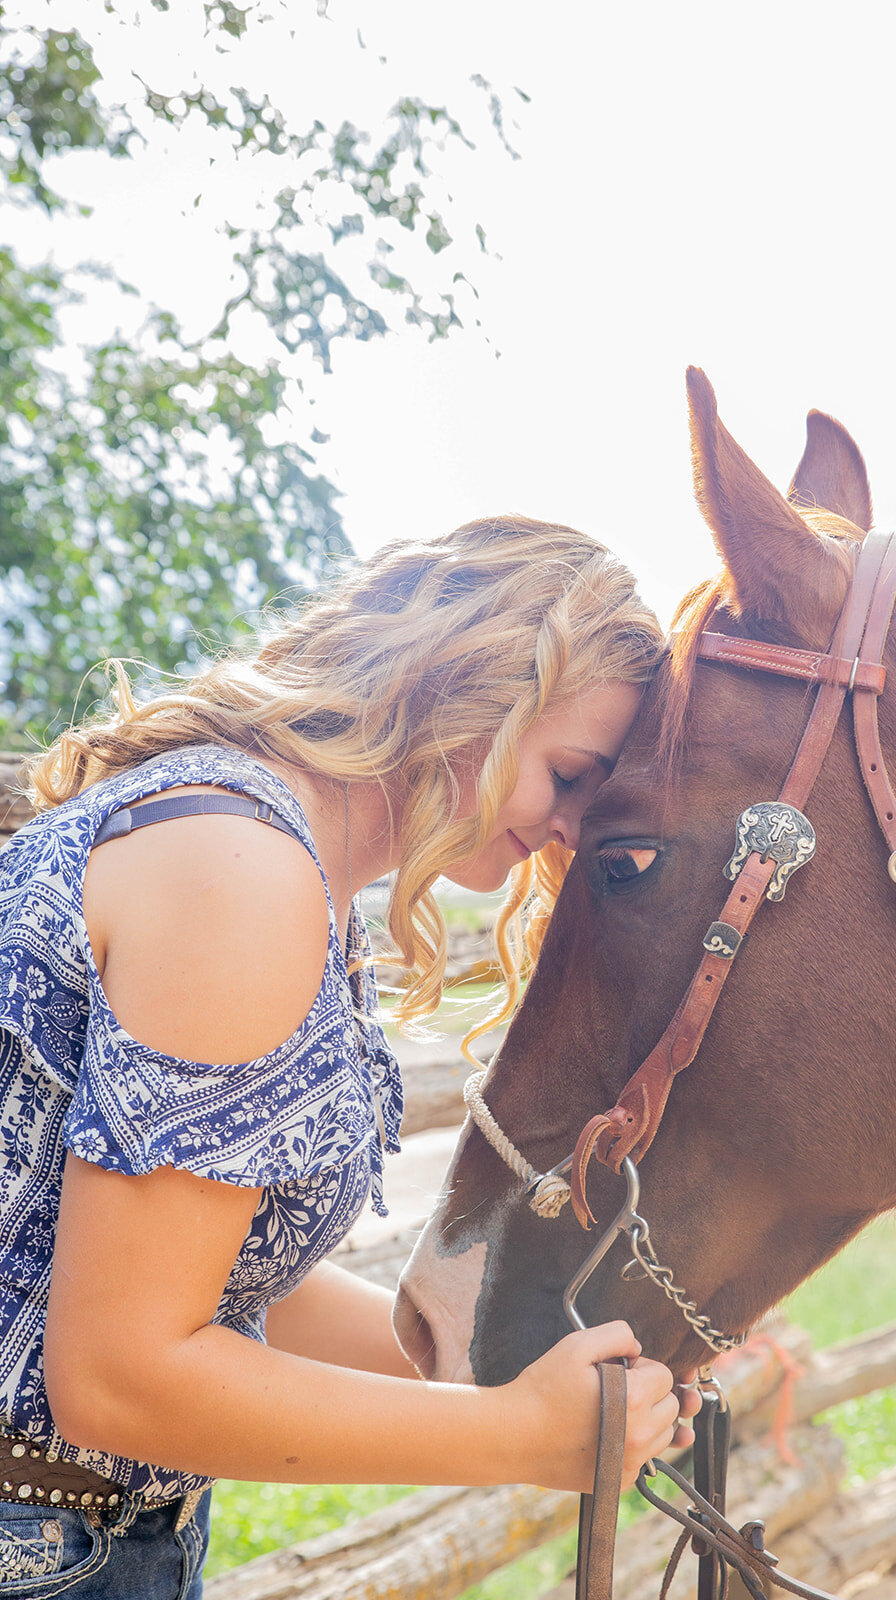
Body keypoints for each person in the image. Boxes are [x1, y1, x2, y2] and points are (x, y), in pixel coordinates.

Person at [0, 515, 698, 1598]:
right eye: (568, 774)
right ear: (467, 685)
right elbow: (117, 1374)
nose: (567, 829)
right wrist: (514, 1435)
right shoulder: (241, 872)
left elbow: (213, 1281)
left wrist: (493, 1358)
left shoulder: (265, 852)